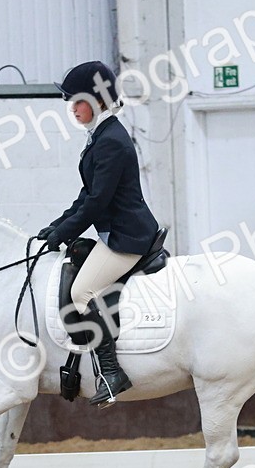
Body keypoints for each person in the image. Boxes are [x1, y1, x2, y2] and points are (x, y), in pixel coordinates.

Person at [35, 60, 161, 407]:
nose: (72, 109)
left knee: (81, 292)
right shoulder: (102, 136)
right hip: (115, 232)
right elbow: (86, 195)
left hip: (126, 238)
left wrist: (62, 233)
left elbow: (96, 203)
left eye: (77, 101)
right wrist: (57, 225)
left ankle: (110, 372)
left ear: (98, 99)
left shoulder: (111, 141)